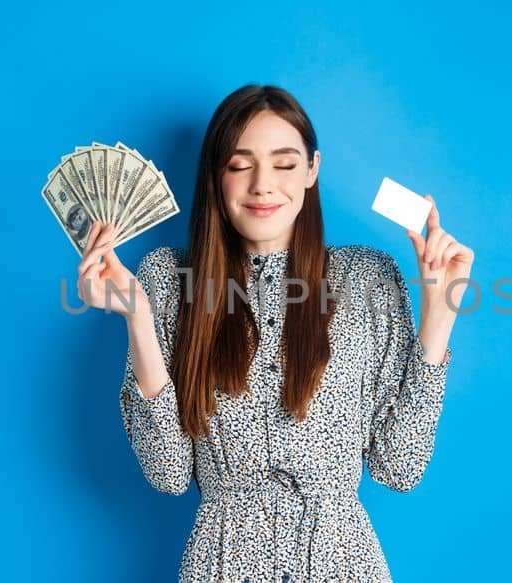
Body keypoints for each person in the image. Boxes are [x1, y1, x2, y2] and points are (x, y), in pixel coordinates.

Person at [75, 84, 474, 582]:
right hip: (220, 565)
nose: (263, 184)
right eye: (241, 164)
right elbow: (169, 473)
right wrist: (136, 317)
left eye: (284, 163)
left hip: (341, 565)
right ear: (217, 176)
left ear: (312, 170)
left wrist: (439, 313)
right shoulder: (167, 280)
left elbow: (399, 467)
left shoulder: (368, 278)